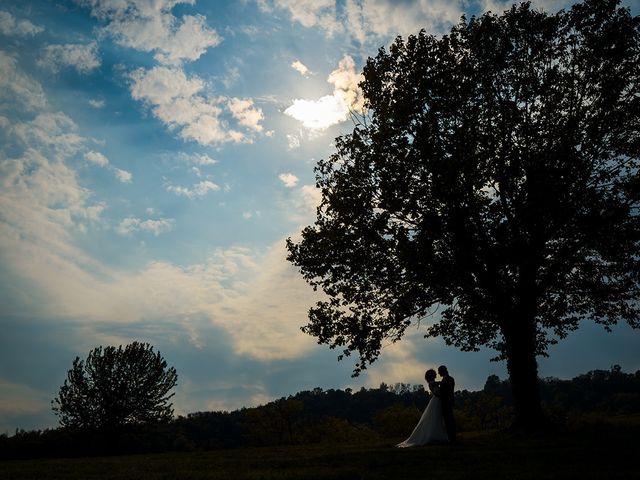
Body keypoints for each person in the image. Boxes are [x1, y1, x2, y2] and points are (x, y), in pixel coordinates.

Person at [396, 369, 448, 447]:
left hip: (437, 401)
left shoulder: (432, 383)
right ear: (432, 376)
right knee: (435, 418)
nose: (436, 375)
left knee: (436, 418)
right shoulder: (432, 383)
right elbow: (439, 385)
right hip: (436, 401)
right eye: (434, 374)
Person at [438, 365, 456, 443]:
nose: (438, 373)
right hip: (449, 401)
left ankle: (451, 437)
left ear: (442, 371)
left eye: (439, 371)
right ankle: (451, 437)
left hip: (446, 402)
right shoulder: (449, 379)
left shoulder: (446, 380)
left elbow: (444, 391)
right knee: (449, 419)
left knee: (448, 420)